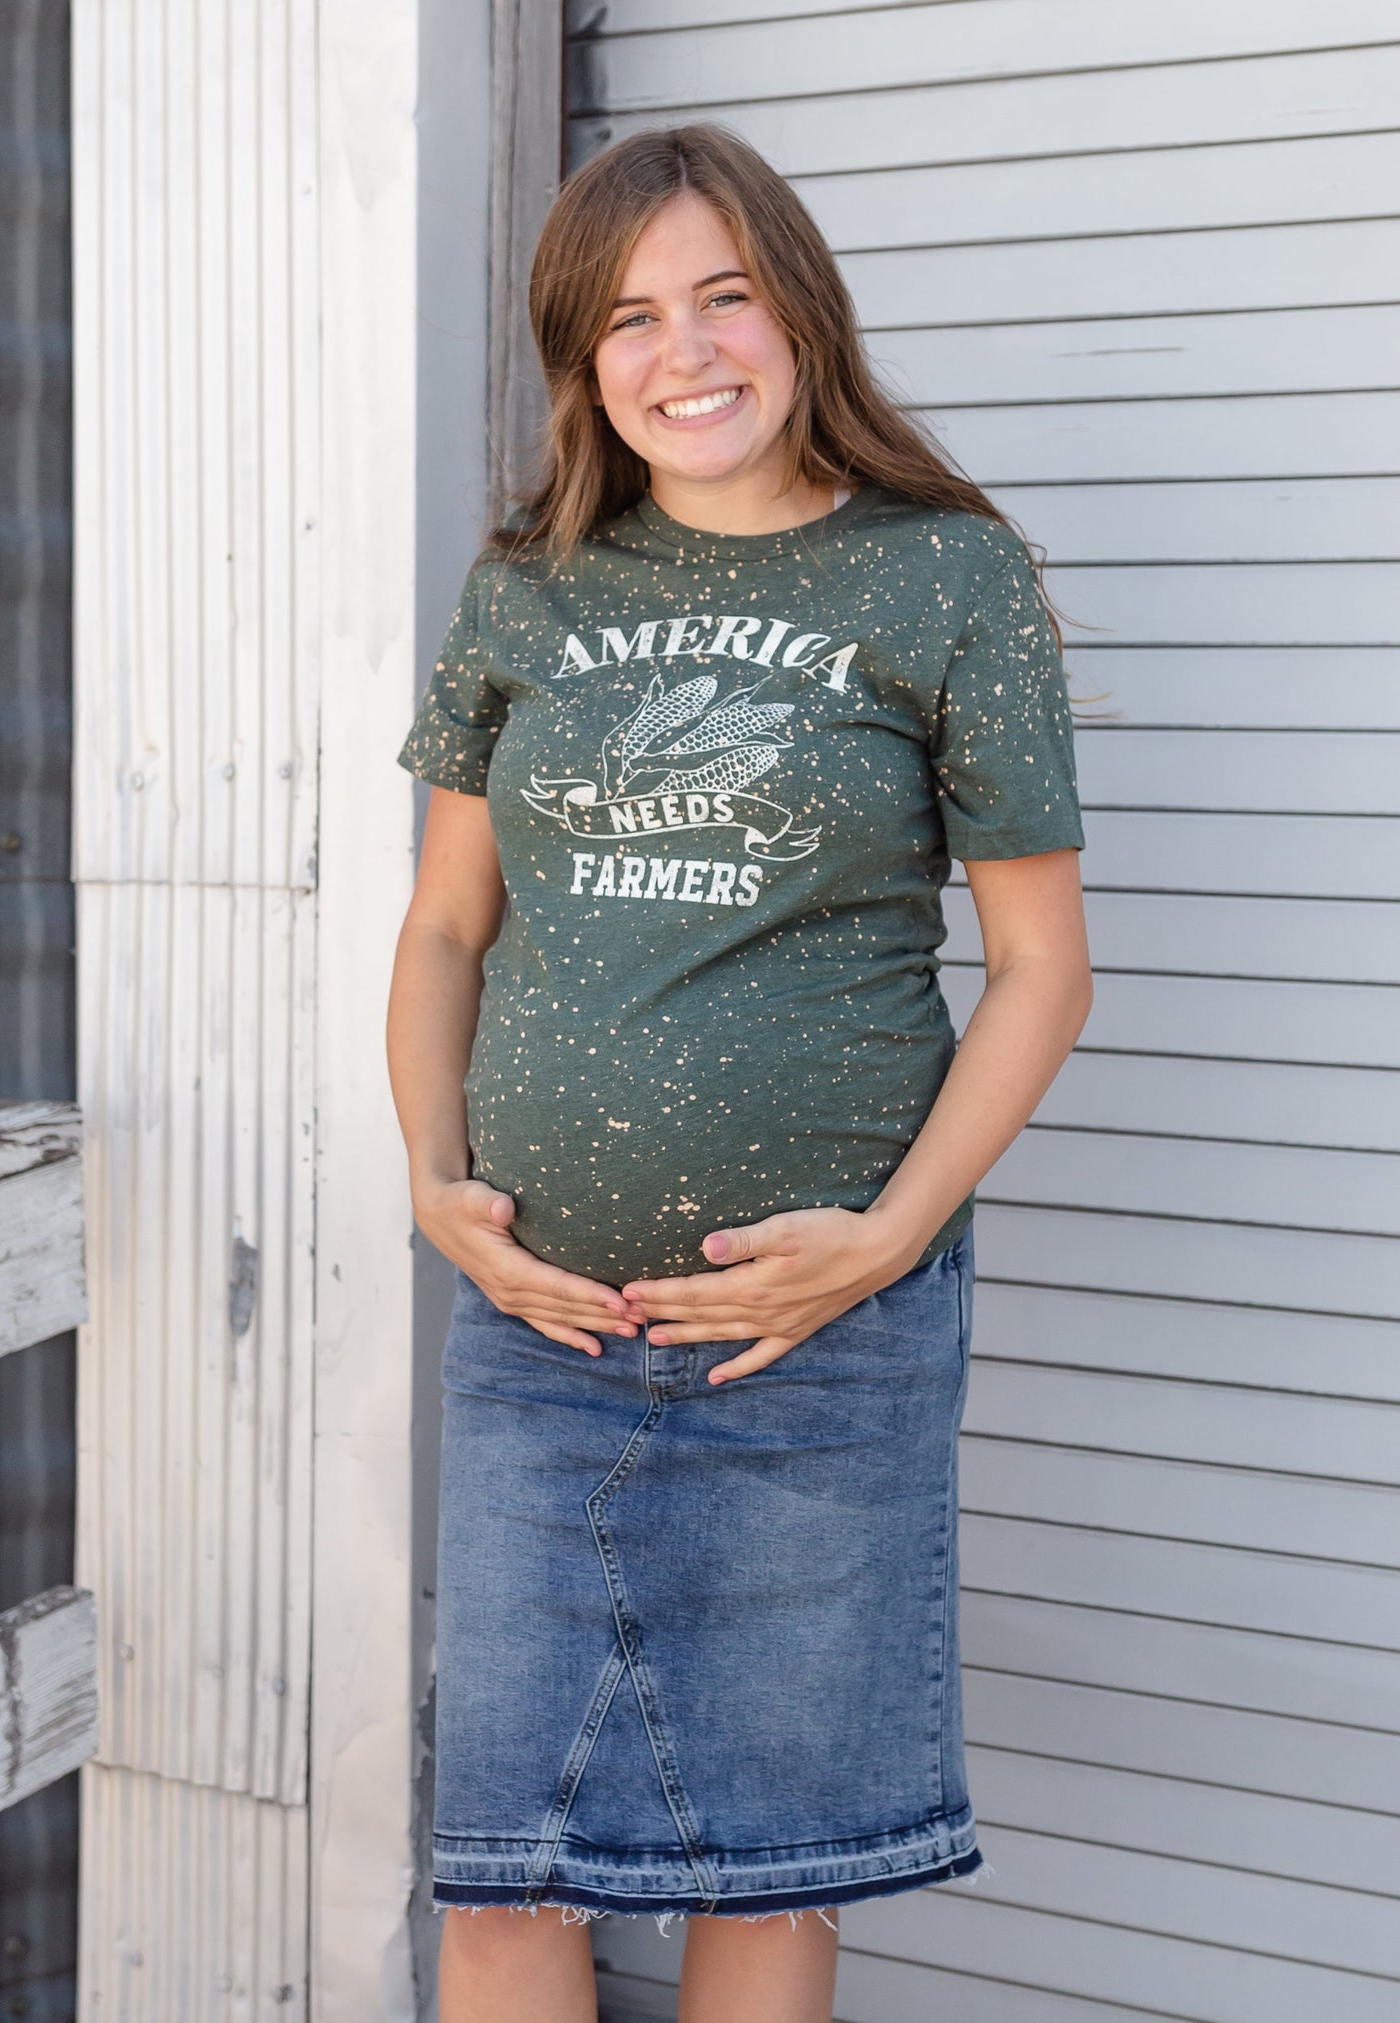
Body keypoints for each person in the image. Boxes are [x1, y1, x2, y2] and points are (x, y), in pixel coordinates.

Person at [387, 122, 1092, 2023]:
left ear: (797, 311)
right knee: (506, 1879)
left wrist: (883, 1242)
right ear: (577, 361)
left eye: (721, 294)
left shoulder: (946, 575)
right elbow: (446, 926)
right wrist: (433, 1181)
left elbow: (1039, 968)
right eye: (624, 317)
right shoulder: (526, 587)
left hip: (820, 1340)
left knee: (767, 1879)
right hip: (535, 1331)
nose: (680, 350)